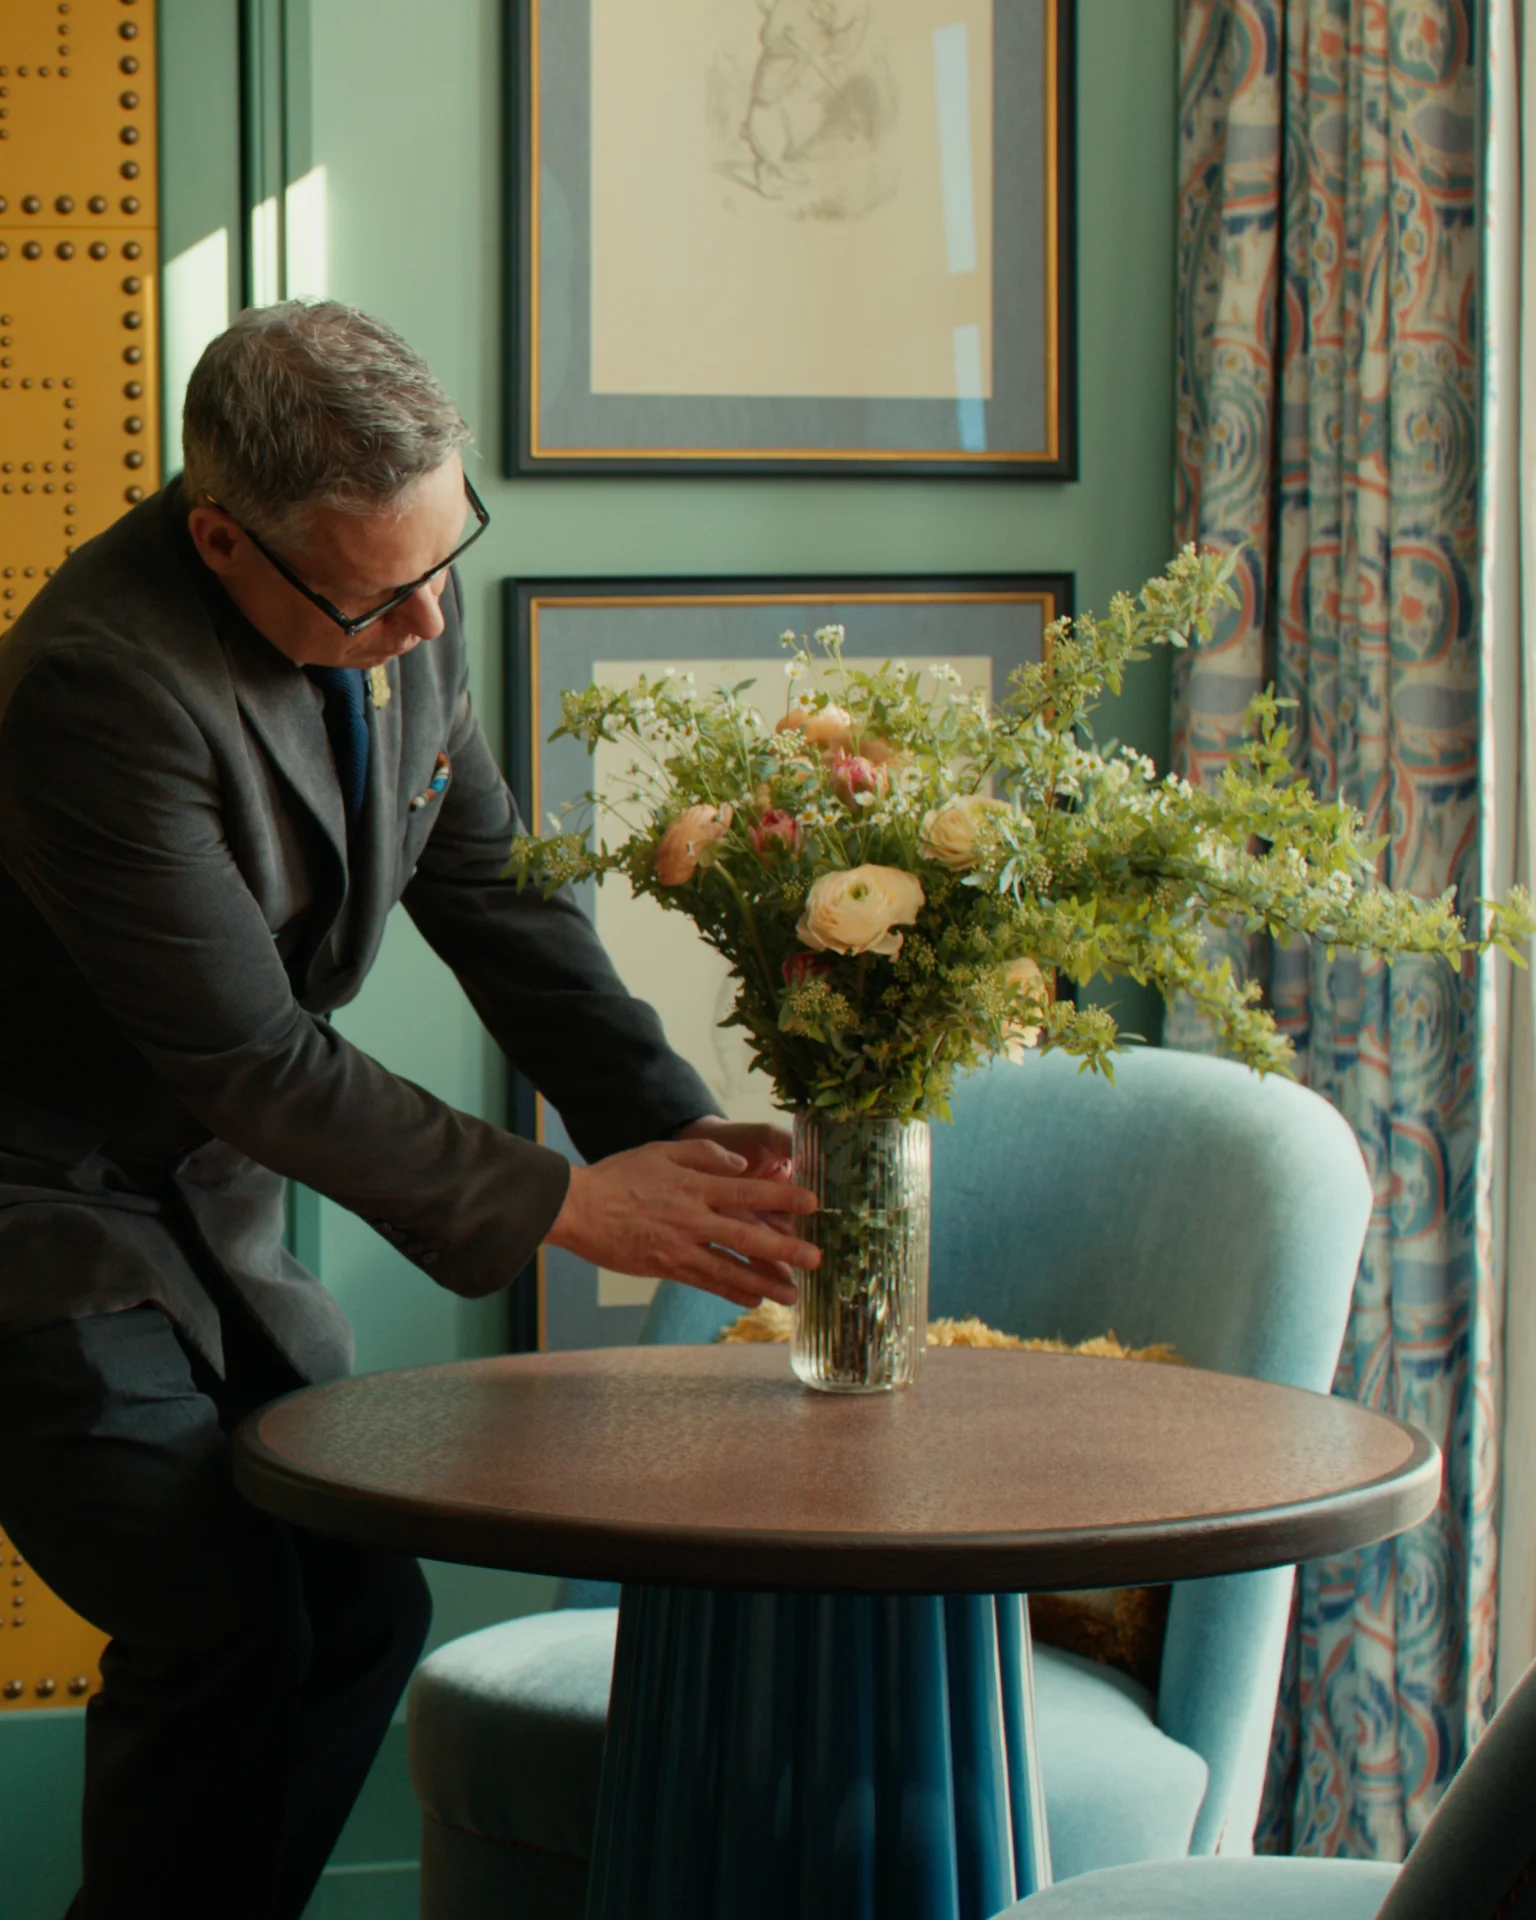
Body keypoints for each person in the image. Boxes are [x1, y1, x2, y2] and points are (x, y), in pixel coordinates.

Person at [0, 301, 818, 1920]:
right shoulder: (94, 688)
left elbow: (500, 905)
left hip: (217, 1203)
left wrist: (686, 1141)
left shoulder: (397, 608)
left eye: (451, 558)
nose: (435, 621)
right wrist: (570, 1205)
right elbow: (249, 1054)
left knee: (359, 1611)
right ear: (223, 538)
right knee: (223, 1625)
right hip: (39, 1217)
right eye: (386, 594)